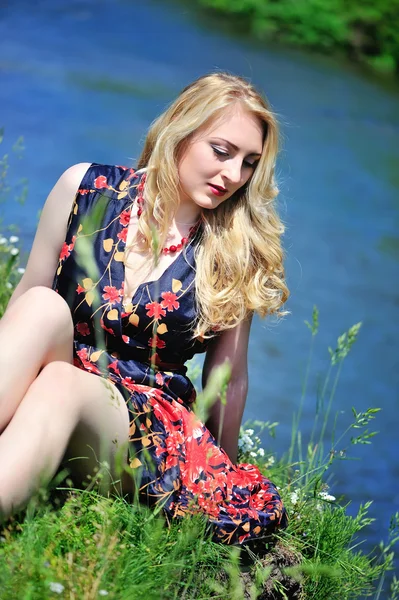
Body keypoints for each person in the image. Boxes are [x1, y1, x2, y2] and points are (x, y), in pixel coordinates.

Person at [0, 71, 289, 545]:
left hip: (141, 426)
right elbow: (23, 302)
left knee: (61, 385)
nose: (233, 175)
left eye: (249, 163)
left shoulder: (234, 250)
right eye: (222, 151)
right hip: (60, 366)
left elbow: (228, 378)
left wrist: (220, 478)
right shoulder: (84, 188)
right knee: (41, 306)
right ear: (181, 128)